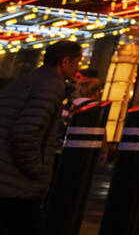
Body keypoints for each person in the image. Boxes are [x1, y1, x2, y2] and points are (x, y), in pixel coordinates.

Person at [0, 40, 82, 235]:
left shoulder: (28, 79)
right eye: (77, 62)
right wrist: (36, 169)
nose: (78, 68)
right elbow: (26, 132)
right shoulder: (52, 86)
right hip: (18, 183)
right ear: (64, 62)